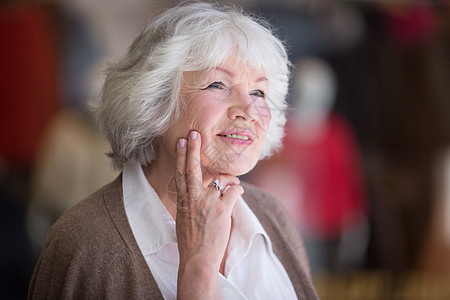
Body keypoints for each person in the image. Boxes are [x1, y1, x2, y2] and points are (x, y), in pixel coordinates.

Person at [28, 2, 318, 299]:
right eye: (218, 84)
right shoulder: (85, 246)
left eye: (258, 91)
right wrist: (198, 270)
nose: (250, 110)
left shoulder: (271, 215)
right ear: (154, 104)